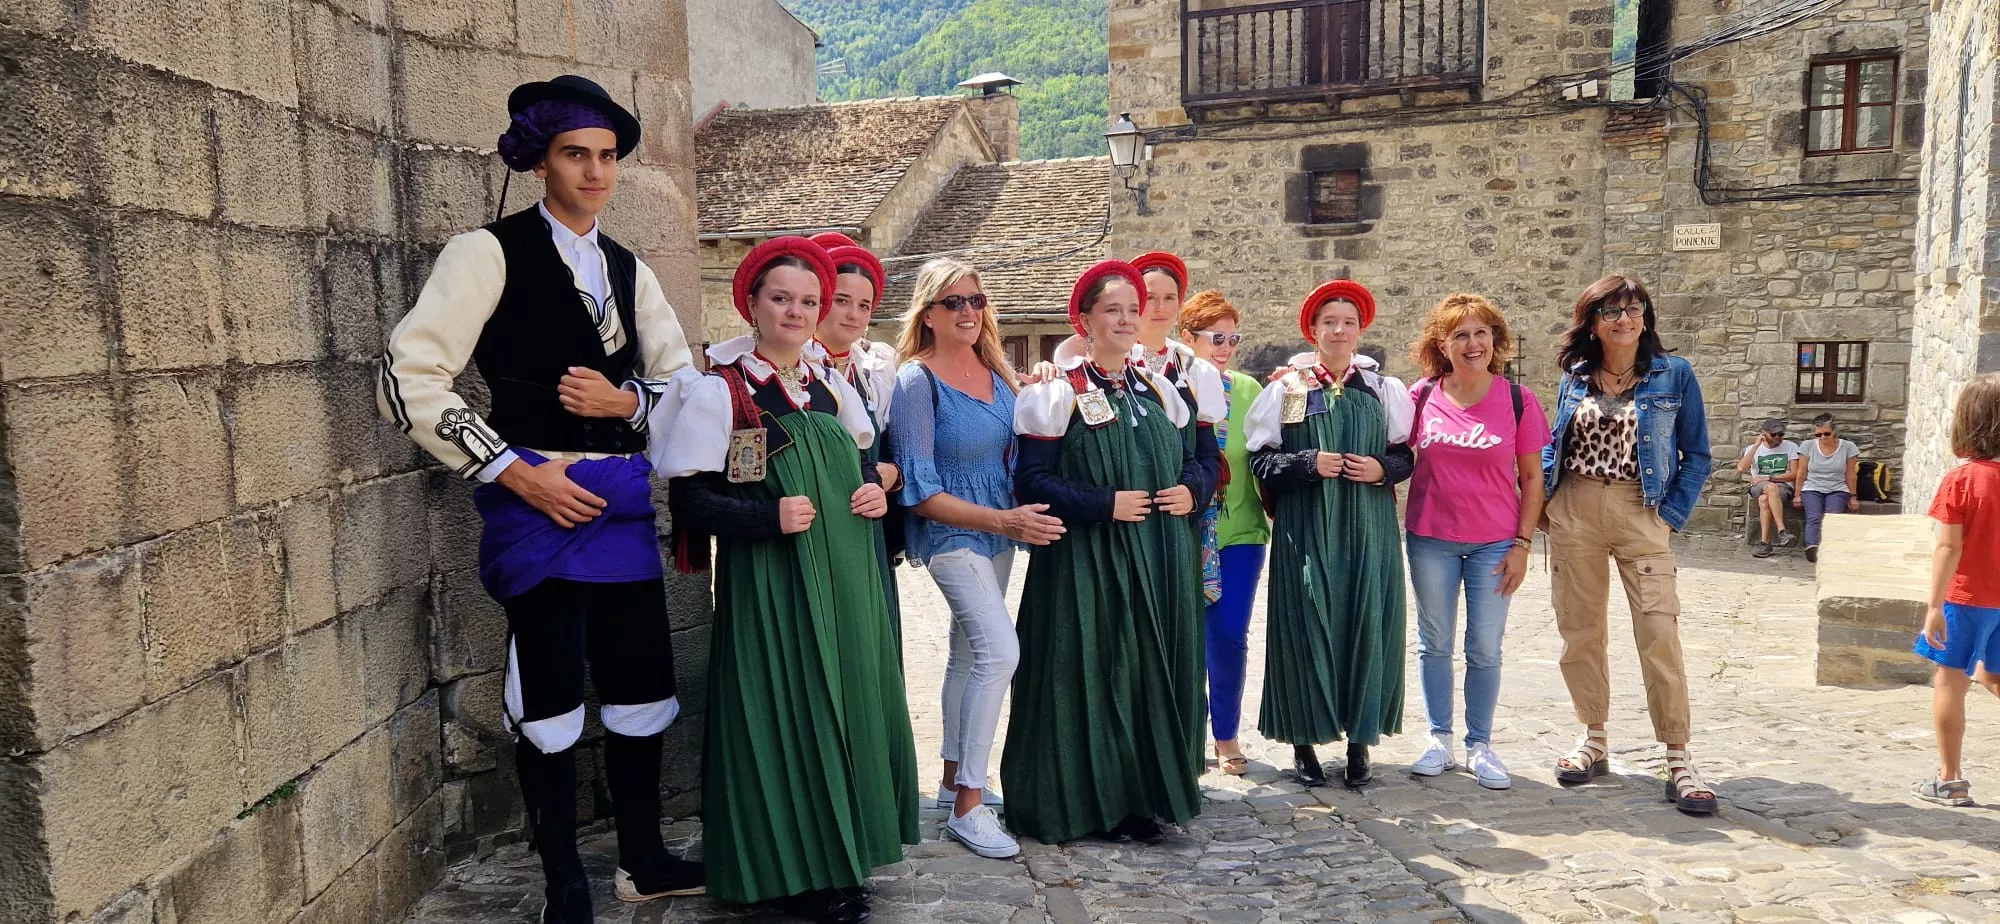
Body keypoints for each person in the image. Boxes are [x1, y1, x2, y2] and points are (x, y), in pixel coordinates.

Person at [375, 75, 703, 923]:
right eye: (575, 155)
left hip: (622, 508)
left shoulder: (628, 268)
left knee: (640, 685)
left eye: (607, 157)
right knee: (550, 691)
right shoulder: (485, 253)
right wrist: (515, 472)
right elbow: (409, 375)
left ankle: (642, 859)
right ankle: (563, 875)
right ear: (540, 161)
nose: (595, 173)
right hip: (536, 504)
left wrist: (626, 403)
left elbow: (686, 389)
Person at [658, 237, 917, 923]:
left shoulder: (828, 386)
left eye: (809, 301)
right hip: (773, 584)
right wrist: (767, 516)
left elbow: (859, 463)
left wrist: (872, 493)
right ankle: (791, 869)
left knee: (847, 705)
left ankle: (844, 855)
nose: (796, 311)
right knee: (786, 710)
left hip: (850, 575)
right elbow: (689, 504)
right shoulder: (722, 390)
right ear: (751, 302)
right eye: (781, 298)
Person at [1003, 260, 1217, 844]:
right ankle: (1079, 801)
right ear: (1084, 320)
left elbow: (1204, 461)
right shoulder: (1053, 393)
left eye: (1133, 309)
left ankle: (1141, 797)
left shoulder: (1162, 388)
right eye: (1112, 310)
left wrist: (1191, 490)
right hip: (1085, 562)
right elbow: (1032, 482)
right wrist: (1103, 504)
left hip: (1160, 555)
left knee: (1147, 670)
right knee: (1089, 670)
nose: (1126, 320)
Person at [887, 257, 1064, 860]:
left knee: (967, 654)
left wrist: (1044, 375)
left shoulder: (998, 369)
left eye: (976, 301)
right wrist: (1004, 520)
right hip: (952, 532)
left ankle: (948, 780)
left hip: (999, 528)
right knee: (1000, 651)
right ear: (929, 314)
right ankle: (969, 805)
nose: (967, 312)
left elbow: (1034, 426)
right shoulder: (917, 379)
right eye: (953, 303)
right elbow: (920, 488)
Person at [1540, 273, 1716, 816]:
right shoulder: (1575, 375)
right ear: (1591, 321)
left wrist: (1669, 516)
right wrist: (1547, 505)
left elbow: (1698, 455)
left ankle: (1679, 756)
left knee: (1659, 631)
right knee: (1581, 632)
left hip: (1641, 511)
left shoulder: (1675, 375)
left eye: (1635, 307)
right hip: (1575, 510)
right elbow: (1555, 443)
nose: (1625, 318)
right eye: (1612, 310)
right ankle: (1593, 739)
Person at [1246, 280, 1415, 789]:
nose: (1339, 331)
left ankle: (1361, 742)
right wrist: (1305, 462)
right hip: (1305, 527)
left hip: (1368, 529)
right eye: (1329, 322)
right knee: (1304, 625)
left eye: (1348, 323)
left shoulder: (1383, 389)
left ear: (1360, 330)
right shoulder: (1286, 389)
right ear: (1313, 331)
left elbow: (1407, 456)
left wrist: (1381, 470)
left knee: (1366, 621)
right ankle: (1303, 743)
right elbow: (1259, 460)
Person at [1402, 294, 1551, 791]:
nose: (1472, 343)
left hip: (1495, 541)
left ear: (1495, 340)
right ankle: (1439, 739)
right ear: (1442, 345)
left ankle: (1480, 744)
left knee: (1485, 646)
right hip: (1430, 538)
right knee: (1434, 643)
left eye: (1481, 333)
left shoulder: (1517, 400)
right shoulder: (1420, 396)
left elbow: (1533, 479)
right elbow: (1383, 440)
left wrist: (1523, 545)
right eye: (1460, 335)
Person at [1175, 290, 1268, 776]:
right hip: (1185, 530)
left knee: (1229, 635)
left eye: (1233, 337)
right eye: (1216, 337)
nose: (1226, 346)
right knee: (1184, 636)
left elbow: (1268, 452)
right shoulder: (1170, 386)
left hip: (1241, 531)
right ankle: (1187, 733)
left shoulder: (1251, 390)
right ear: (1187, 337)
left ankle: (1226, 734)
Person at [808, 241, 906, 649]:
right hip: (814, 523)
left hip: (868, 521)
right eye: (842, 300)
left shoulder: (877, 371)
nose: (853, 314)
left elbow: (895, 447)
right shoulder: (797, 367)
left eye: (864, 306)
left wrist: (893, 473)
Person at [1913, 373, 2000, 807]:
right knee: (1993, 675)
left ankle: (1950, 779)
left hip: (1968, 599)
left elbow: (1949, 545)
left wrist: (1933, 606)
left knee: (1950, 682)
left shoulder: (1962, 480)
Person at [1794, 413, 1861, 562]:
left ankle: (1830, 547)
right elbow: (1802, 472)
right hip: (1812, 486)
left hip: (1837, 487)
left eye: (1826, 434)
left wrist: (1853, 496)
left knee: (1833, 516)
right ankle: (1812, 546)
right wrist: (1797, 494)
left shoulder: (1848, 447)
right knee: (1814, 516)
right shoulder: (1808, 446)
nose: (1823, 437)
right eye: (1818, 434)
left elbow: (1851, 474)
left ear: (1834, 431)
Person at [1738, 418, 1801, 557]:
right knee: (1770, 488)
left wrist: (1769, 477)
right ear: (1764, 434)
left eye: (1781, 434)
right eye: (1774, 434)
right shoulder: (1752, 449)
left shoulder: (1790, 447)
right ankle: (1782, 531)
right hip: (1758, 485)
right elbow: (1742, 468)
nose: (1778, 437)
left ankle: (1765, 544)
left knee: (1764, 499)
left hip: (1783, 486)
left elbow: (1795, 473)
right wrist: (1755, 446)